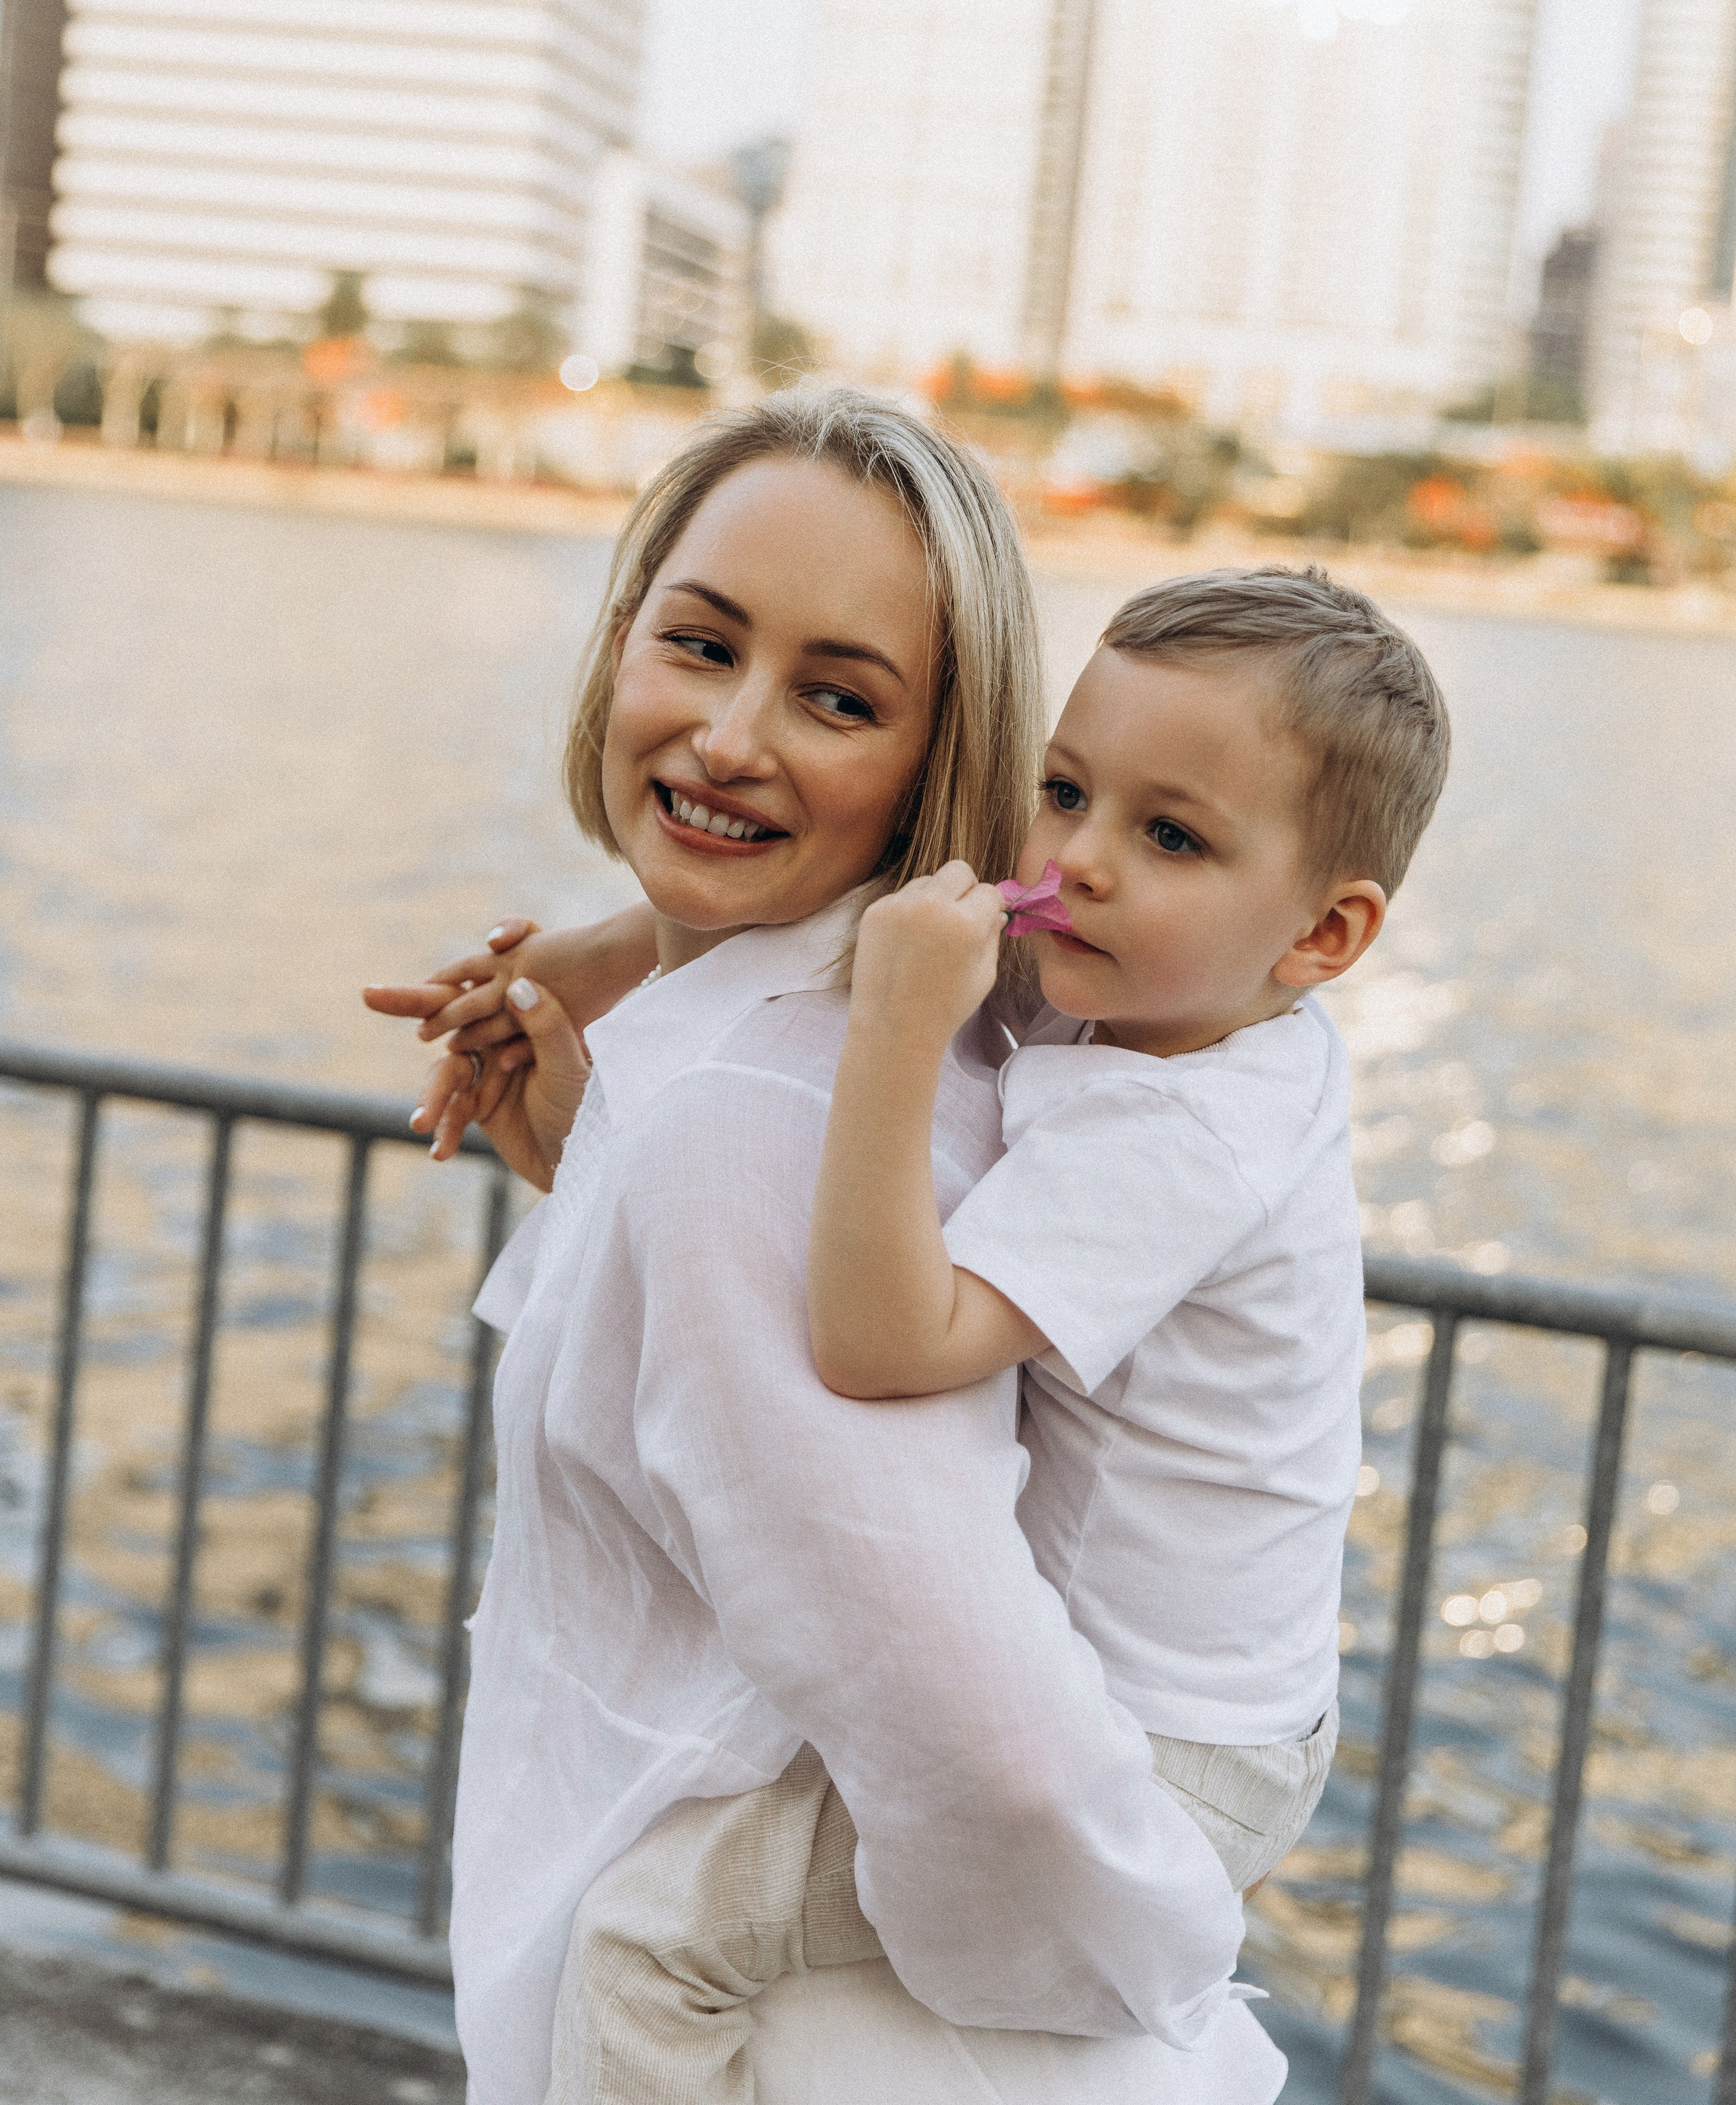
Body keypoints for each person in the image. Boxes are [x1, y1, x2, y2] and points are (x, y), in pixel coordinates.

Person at [365, 389, 1283, 2105]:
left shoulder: (747, 1100)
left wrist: (1157, 1950)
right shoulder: (899, 1030)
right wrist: (604, 1094)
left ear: (935, 758)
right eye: (697, 644)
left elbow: (979, 1734)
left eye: (836, 698)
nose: (726, 736)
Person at [509, 568, 1449, 2105]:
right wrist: (581, 959)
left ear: (1325, 933)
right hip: (1194, 1702)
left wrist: (891, 1030)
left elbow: (885, 1340)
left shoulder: (1185, 1130)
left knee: (649, 1938)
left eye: (1168, 835)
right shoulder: (1174, 992)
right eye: (1062, 791)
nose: (1070, 864)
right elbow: (871, 907)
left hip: (1166, 1758)